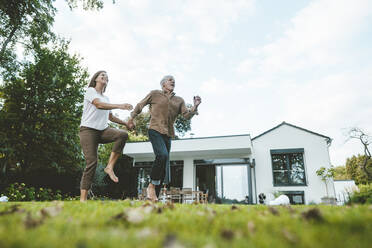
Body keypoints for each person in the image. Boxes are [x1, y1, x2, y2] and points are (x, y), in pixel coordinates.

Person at [128, 75, 201, 201]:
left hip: (168, 134)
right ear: (163, 84)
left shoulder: (179, 100)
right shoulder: (154, 94)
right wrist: (132, 118)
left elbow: (186, 116)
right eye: (169, 79)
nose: (172, 81)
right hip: (155, 129)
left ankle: (153, 197)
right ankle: (151, 186)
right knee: (162, 155)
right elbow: (140, 105)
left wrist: (195, 106)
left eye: (174, 80)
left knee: (164, 165)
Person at [79, 70, 133, 202]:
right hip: (88, 130)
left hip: (103, 130)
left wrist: (125, 123)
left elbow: (110, 116)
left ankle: (109, 167)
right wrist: (120, 106)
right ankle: (83, 199)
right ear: (96, 79)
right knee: (92, 162)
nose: (104, 77)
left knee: (122, 135)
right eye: (102, 75)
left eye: (106, 77)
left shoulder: (106, 98)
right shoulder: (90, 91)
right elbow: (98, 104)